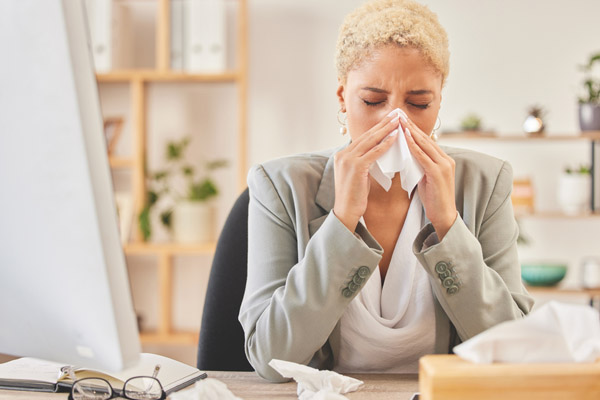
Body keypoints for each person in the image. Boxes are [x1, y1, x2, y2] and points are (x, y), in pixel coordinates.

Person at [239, 0, 534, 382]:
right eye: (373, 101)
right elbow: (269, 358)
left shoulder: (484, 182)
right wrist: (341, 223)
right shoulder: (278, 186)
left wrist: (448, 226)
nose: (396, 121)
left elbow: (513, 352)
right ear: (343, 98)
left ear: (439, 100)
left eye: (419, 103)